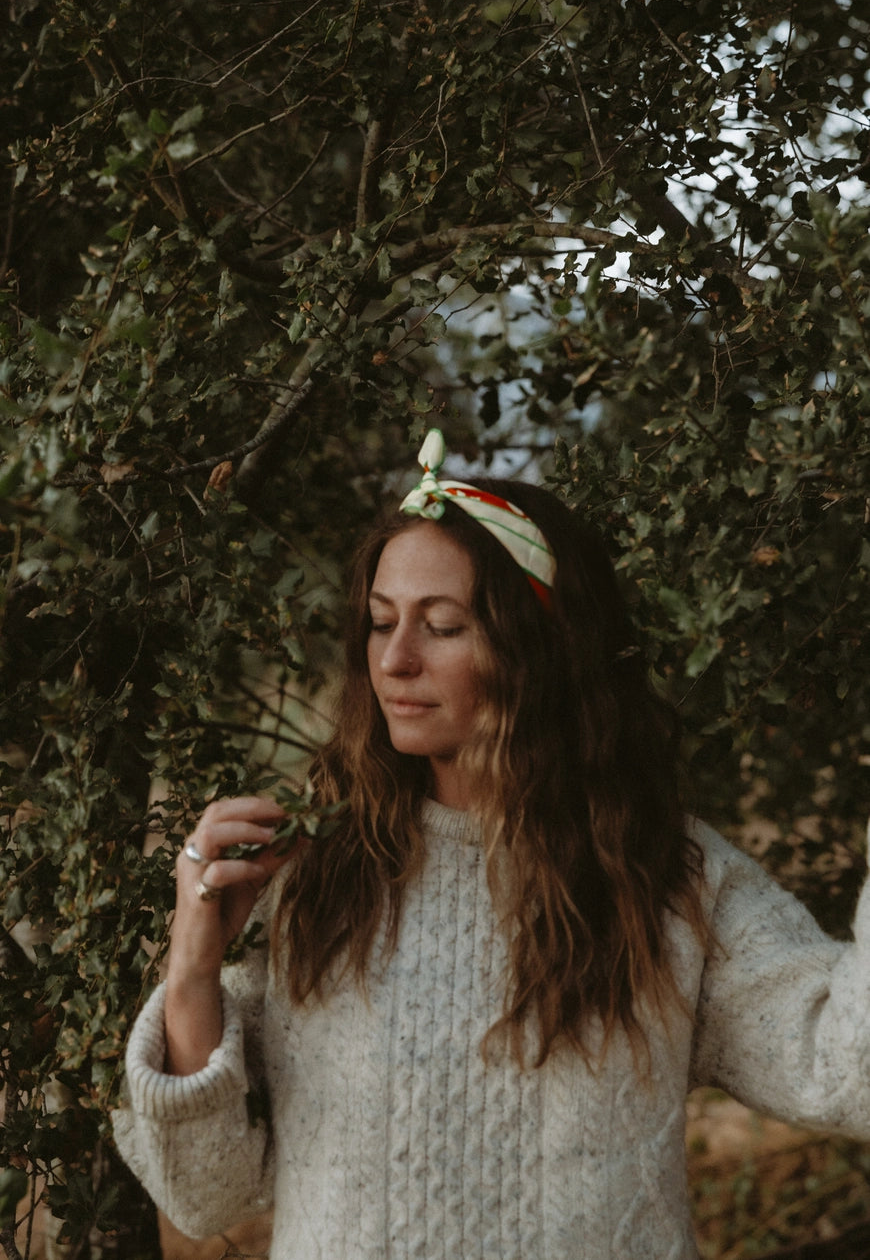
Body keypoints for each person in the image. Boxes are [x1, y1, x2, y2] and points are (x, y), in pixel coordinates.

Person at [112, 429, 870, 1260]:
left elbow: (848, 1075)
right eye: (379, 622)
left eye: (442, 626)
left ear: (538, 652)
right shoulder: (318, 874)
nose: (394, 660)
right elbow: (205, 1193)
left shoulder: (664, 878)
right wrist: (192, 962)